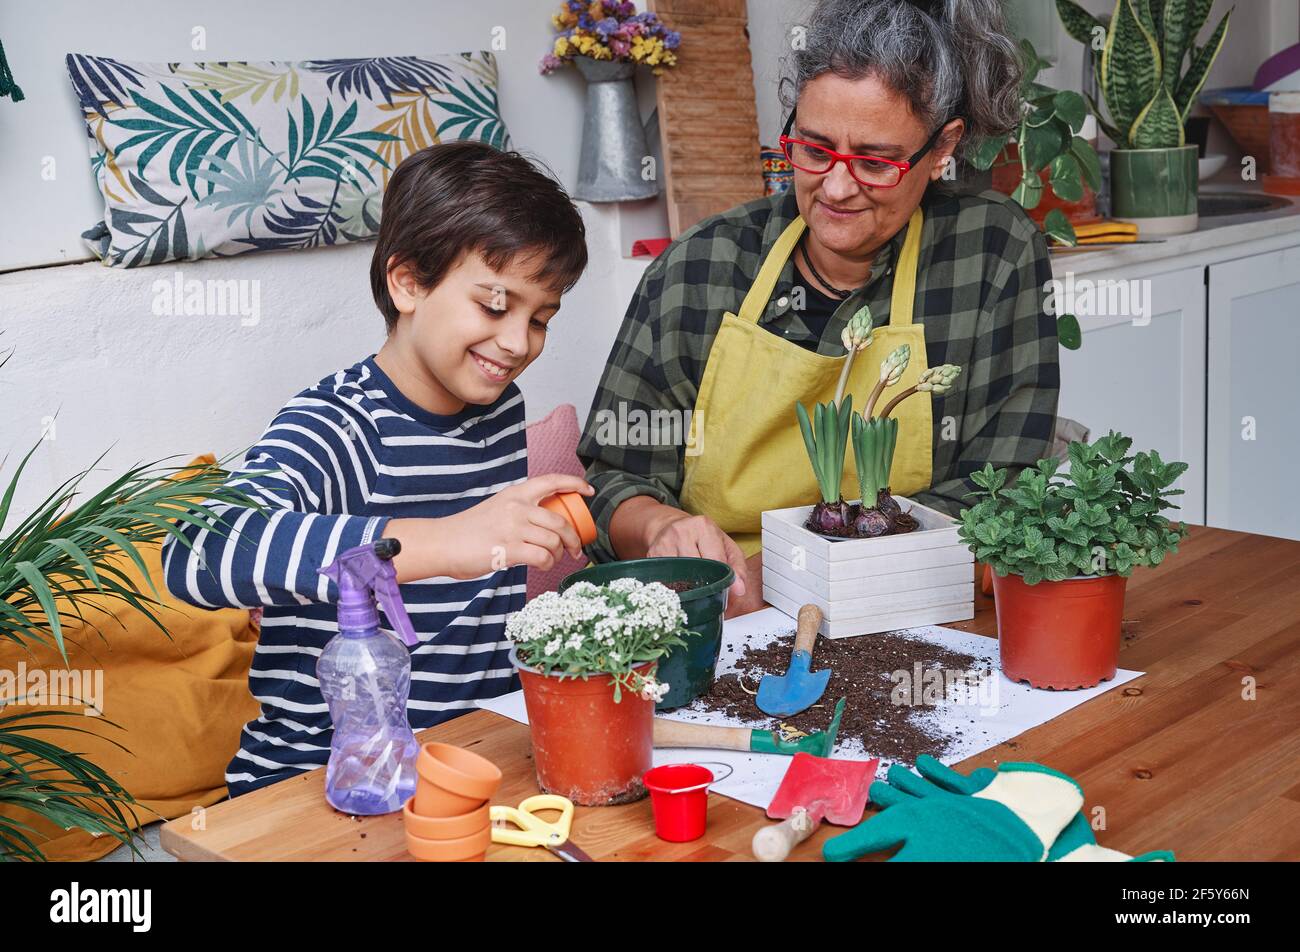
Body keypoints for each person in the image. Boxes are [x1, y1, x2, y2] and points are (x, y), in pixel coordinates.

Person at [578, 0, 1058, 616]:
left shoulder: (990, 254)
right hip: (727, 614)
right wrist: (658, 528)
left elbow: (1003, 489)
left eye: (876, 162)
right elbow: (614, 476)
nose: (835, 187)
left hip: (913, 606)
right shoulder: (701, 268)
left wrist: (796, 572)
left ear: (943, 148)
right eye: (813, 149)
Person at [162, 141, 592, 796]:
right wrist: (448, 540)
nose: (517, 342)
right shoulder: (338, 424)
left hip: (469, 760)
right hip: (321, 784)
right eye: (496, 306)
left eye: (541, 319)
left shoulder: (499, 406)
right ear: (409, 282)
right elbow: (197, 550)